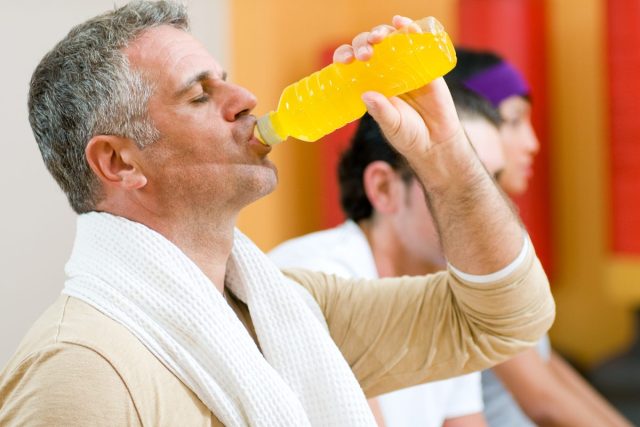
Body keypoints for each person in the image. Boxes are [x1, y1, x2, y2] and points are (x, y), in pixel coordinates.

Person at [0, 3, 555, 425]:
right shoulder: (79, 371)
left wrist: (447, 157)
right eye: (199, 96)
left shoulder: (293, 310)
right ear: (119, 161)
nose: (243, 97)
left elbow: (507, 319)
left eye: (226, 78)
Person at [269, 83, 505, 427]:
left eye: (492, 181)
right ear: (383, 187)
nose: (490, 205)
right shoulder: (312, 277)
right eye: (462, 180)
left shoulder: (450, 297)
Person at [447, 48, 632, 427]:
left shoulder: (499, 234)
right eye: (514, 122)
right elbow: (543, 399)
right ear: (470, 129)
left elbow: (548, 366)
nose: (532, 143)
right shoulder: (463, 248)